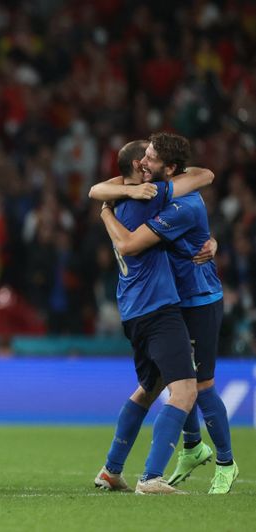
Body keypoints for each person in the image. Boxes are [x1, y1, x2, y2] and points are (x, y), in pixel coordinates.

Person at [89, 133, 237, 494]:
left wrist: (108, 207)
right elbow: (203, 177)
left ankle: (221, 461)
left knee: (173, 386)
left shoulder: (160, 197)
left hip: (194, 299)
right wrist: (118, 199)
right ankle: (157, 473)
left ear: (167, 168)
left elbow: (204, 176)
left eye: (153, 157)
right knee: (183, 387)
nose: (146, 162)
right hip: (162, 306)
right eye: (144, 157)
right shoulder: (148, 195)